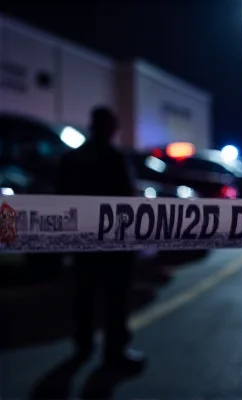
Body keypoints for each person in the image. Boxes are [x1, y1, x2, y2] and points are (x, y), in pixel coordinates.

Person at [56, 106, 146, 370]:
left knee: (84, 295)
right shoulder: (114, 158)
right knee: (115, 299)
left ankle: (83, 346)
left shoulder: (72, 159)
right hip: (113, 242)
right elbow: (128, 200)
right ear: (107, 127)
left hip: (82, 240)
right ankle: (114, 352)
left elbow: (60, 199)